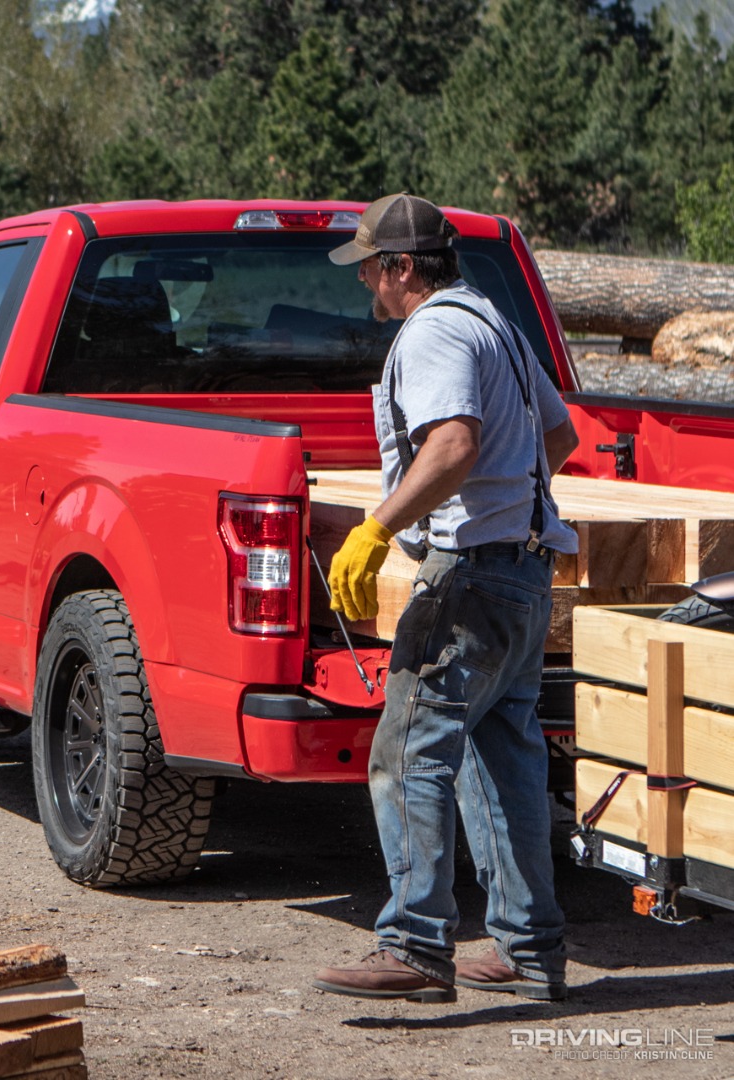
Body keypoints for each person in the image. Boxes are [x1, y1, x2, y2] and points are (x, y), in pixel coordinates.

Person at [311, 194, 582, 1004]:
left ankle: (415, 946)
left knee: (407, 751)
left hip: (468, 577)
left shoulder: (430, 330)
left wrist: (373, 529)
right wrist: (508, 507)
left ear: (401, 269)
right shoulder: (493, 320)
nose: (364, 281)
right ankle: (528, 952)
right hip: (527, 573)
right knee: (504, 761)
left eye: (370, 266)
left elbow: (453, 442)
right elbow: (559, 436)